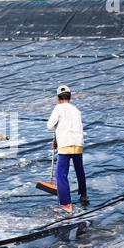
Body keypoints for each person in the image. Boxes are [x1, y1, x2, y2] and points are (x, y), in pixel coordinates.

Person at [46, 85, 88, 213]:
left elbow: (49, 126)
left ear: (58, 98)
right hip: (78, 143)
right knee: (79, 170)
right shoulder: (76, 110)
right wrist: (56, 140)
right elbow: (72, 126)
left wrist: (58, 140)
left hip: (65, 145)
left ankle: (67, 204)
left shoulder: (58, 108)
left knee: (61, 175)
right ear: (70, 96)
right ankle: (84, 195)